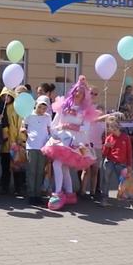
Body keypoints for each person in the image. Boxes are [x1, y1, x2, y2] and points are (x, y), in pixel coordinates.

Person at [41, 76, 97, 211]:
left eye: (81, 92)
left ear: (85, 95)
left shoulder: (86, 110)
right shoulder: (64, 105)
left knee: (57, 164)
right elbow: (55, 124)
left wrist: (71, 127)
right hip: (62, 139)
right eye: (76, 91)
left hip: (76, 142)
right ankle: (70, 194)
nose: (78, 94)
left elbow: (86, 128)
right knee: (62, 166)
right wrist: (54, 135)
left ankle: (58, 193)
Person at [100, 119, 133, 209]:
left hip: (122, 163)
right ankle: (104, 198)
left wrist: (129, 165)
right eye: (111, 127)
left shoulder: (125, 138)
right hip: (110, 162)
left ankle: (132, 201)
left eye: (114, 126)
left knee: (128, 181)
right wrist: (106, 147)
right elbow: (104, 154)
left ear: (118, 126)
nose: (113, 128)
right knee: (106, 180)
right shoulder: (109, 138)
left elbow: (129, 152)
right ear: (109, 129)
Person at [22, 96, 52, 205]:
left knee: (40, 172)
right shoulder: (29, 115)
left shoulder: (47, 117)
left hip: (43, 147)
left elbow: (49, 130)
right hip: (31, 146)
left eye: (44, 108)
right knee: (32, 171)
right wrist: (24, 131)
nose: (42, 110)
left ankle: (37, 194)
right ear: (36, 105)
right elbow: (23, 127)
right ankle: (31, 194)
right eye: (40, 107)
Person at [0, 87, 26, 196]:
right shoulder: (1, 108)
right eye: (4, 96)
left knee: (17, 166)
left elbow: (20, 124)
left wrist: (21, 138)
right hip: (5, 142)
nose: (6, 98)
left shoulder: (16, 108)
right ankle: (5, 187)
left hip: (15, 142)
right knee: (5, 166)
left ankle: (18, 188)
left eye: (8, 96)